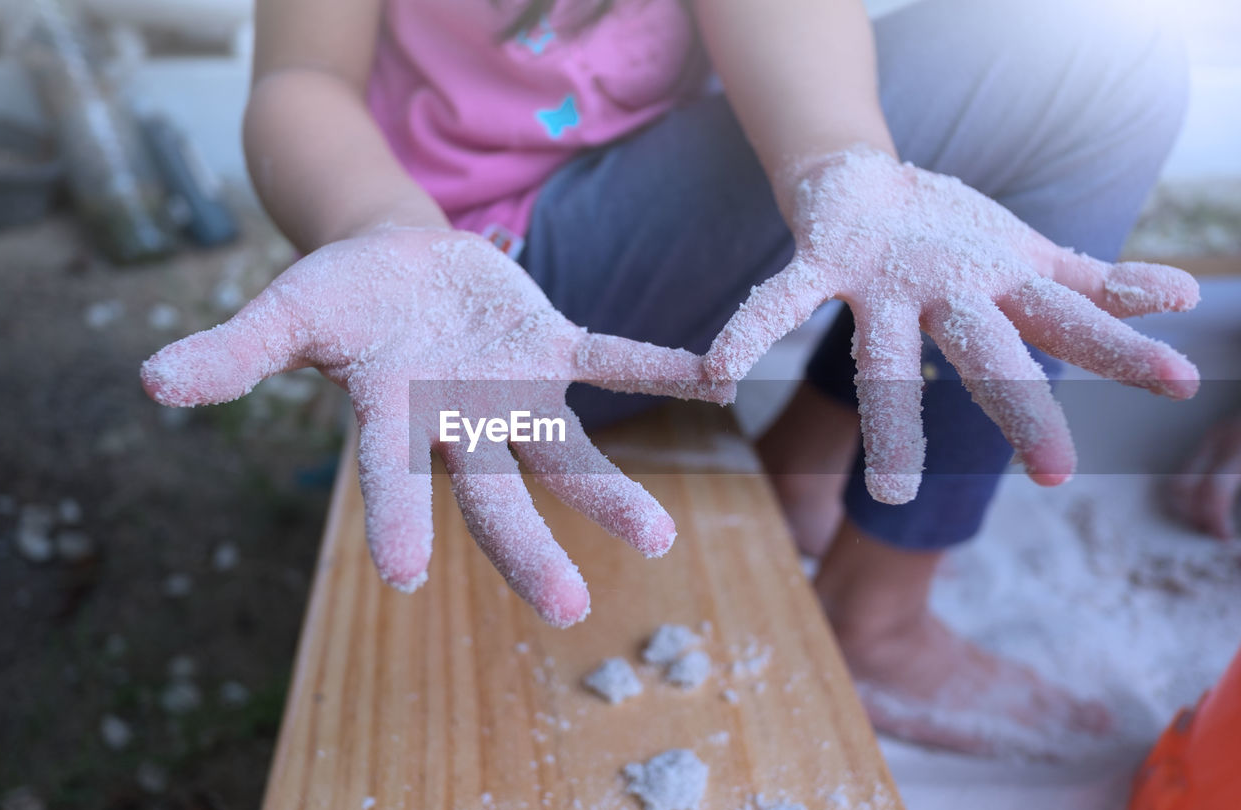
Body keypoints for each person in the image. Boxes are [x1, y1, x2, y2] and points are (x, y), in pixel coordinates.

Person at [142, 0, 1203, 756]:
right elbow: (301, 77)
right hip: (477, 311)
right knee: (1110, 60)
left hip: (626, 275)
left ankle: (808, 457)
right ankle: (876, 620)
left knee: (1026, 97)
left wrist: (841, 162)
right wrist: (382, 229)